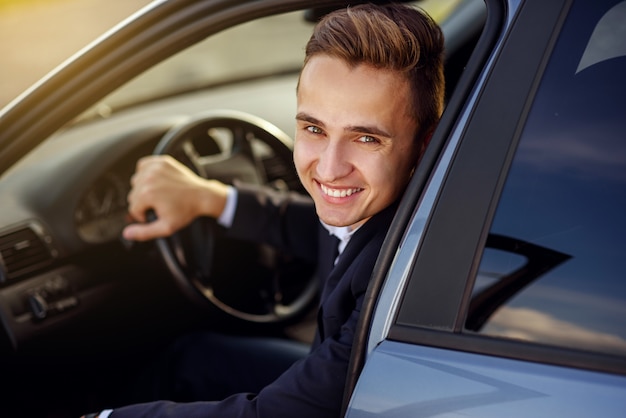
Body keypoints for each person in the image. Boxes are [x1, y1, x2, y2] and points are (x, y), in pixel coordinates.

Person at [83, 2, 444, 417]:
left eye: (366, 139)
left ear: (425, 143)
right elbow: (316, 229)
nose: (328, 168)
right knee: (193, 357)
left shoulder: (399, 275)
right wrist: (213, 199)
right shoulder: (388, 208)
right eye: (314, 129)